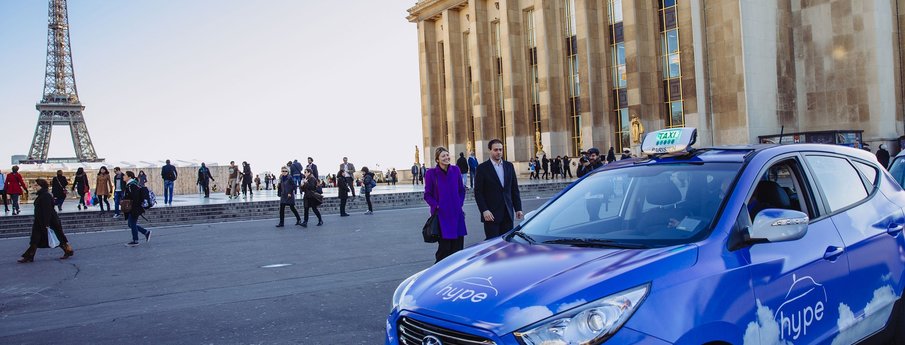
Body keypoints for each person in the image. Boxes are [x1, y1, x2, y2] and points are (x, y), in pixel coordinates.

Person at [424, 147, 467, 263]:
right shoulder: (431, 173)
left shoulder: (456, 170)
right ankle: (438, 275)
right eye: (443, 156)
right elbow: (427, 195)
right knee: (444, 250)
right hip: (441, 216)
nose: (446, 158)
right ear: (437, 159)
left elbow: (461, 190)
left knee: (458, 250)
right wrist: (437, 205)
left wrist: (459, 203)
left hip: (456, 214)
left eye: (447, 155)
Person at [474, 139, 523, 239]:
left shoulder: (509, 166)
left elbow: (514, 188)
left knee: (507, 243)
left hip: (507, 213)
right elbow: (478, 192)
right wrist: (484, 210)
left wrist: (518, 208)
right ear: (490, 151)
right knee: (493, 244)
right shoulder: (482, 168)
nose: (499, 152)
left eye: (500, 149)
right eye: (496, 150)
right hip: (491, 215)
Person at [17, 179, 73, 263]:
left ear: (42, 186)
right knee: (35, 239)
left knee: (56, 236)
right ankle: (29, 256)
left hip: (49, 221)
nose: (35, 187)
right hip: (40, 220)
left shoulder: (46, 196)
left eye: (36, 185)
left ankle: (67, 250)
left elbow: (47, 211)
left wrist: (46, 223)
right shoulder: (42, 195)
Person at [123, 171, 152, 246]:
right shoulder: (130, 185)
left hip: (134, 208)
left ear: (129, 177)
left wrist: (132, 207)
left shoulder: (132, 185)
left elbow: (135, 197)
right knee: (130, 224)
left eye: (125, 175)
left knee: (132, 224)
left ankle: (135, 240)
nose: (123, 176)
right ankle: (146, 232)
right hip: (134, 207)